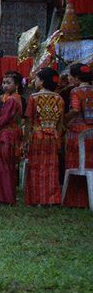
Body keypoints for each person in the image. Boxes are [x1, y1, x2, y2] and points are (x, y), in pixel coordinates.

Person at [24, 67, 64, 206]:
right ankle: (51, 199)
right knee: (51, 168)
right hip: (53, 136)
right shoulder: (59, 99)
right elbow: (61, 123)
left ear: (41, 82)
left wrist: (25, 139)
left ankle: (37, 199)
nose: (35, 81)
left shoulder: (33, 98)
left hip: (37, 135)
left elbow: (29, 120)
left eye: (36, 79)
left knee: (36, 167)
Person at [0, 71, 24, 205]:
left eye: (8, 83)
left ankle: (2, 198)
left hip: (6, 135)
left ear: (16, 85)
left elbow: (1, 121)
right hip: (13, 134)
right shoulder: (17, 98)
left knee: (3, 166)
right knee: (9, 167)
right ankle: (8, 197)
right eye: (3, 83)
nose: (4, 85)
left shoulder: (11, 100)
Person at [63, 63, 93, 208]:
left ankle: (75, 200)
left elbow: (75, 110)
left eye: (69, 75)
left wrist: (64, 119)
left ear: (76, 78)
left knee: (75, 165)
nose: (68, 78)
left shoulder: (76, 91)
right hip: (91, 134)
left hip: (79, 133)